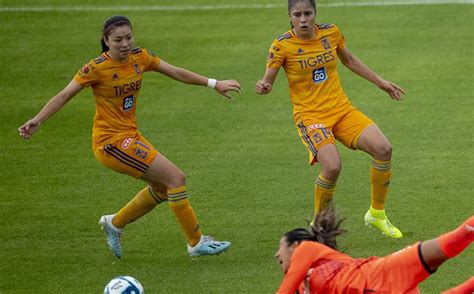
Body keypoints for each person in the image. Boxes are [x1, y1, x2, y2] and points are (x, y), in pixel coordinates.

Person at [18, 15, 241, 258]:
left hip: (131, 136)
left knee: (163, 187)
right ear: (106, 41)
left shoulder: (140, 57)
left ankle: (116, 223)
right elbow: (64, 95)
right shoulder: (95, 68)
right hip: (110, 143)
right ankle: (196, 243)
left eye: (128, 37)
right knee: (176, 178)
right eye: (117, 40)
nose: (124, 44)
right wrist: (38, 120)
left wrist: (214, 83)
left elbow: (175, 71)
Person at [256, 0, 406, 238]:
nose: (303, 19)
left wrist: (381, 82)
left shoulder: (331, 32)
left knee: (383, 149)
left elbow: (349, 60)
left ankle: (376, 214)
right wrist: (264, 86)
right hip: (311, 116)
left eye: (308, 13)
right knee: (332, 166)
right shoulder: (281, 46)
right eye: (297, 14)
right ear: (289, 17)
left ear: (315, 13)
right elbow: (268, 80)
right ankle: (319, 227)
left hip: (341, 110)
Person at [275, 205, 473, 293]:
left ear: (294, 245)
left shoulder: (306, 250)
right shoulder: (304, 286)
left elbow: (285, 288)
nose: (277, 255)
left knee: (451, 242)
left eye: (280, 247)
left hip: (378, 273)